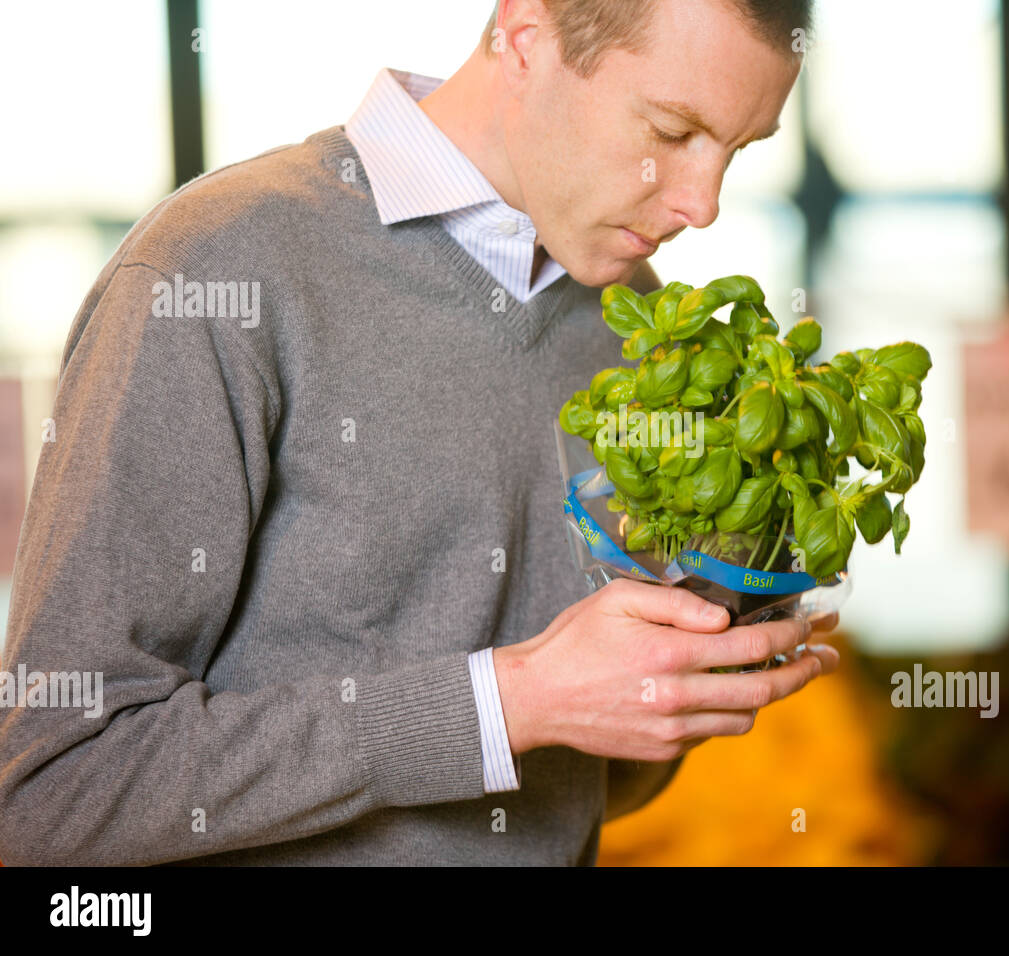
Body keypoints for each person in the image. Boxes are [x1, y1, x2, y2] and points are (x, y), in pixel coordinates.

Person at [0, 0, 836, 866]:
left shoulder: (636, 328)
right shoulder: (214, 272)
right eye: (671, 130)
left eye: (736, 151)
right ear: (525, 35)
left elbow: (566, 794)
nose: (704, 205)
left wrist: (677, 686)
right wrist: (508, 702)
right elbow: (50, 794)